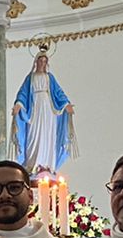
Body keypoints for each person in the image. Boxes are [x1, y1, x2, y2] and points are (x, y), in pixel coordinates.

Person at [10, 47, 78, 176]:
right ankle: (33, 165)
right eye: (40, 61)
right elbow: (23, 94)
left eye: (44, 61)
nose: (42, 63)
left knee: (47, 134)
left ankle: (47, 164)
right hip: (35, 109)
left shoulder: (49, 77)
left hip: (48, 109)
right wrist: (18, 104)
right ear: (36, 62)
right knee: (34, 135)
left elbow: (58, 93)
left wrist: (66, 104)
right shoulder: (30, 78)